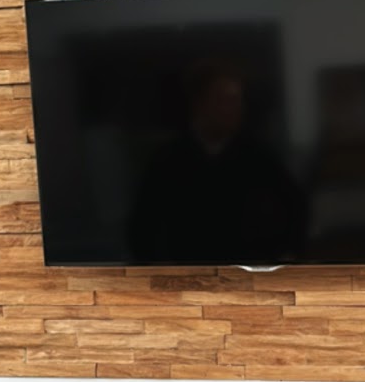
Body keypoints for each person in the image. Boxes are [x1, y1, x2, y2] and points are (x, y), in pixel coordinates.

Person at [130, 61, 306, 264]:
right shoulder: (168, 159)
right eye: (226, 100)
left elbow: (295, 207)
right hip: (189, 271)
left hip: (248, 270)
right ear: (199, 104)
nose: (237, 108)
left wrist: (288, 255)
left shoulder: (258, 156)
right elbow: (143, 226)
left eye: (238, 100)